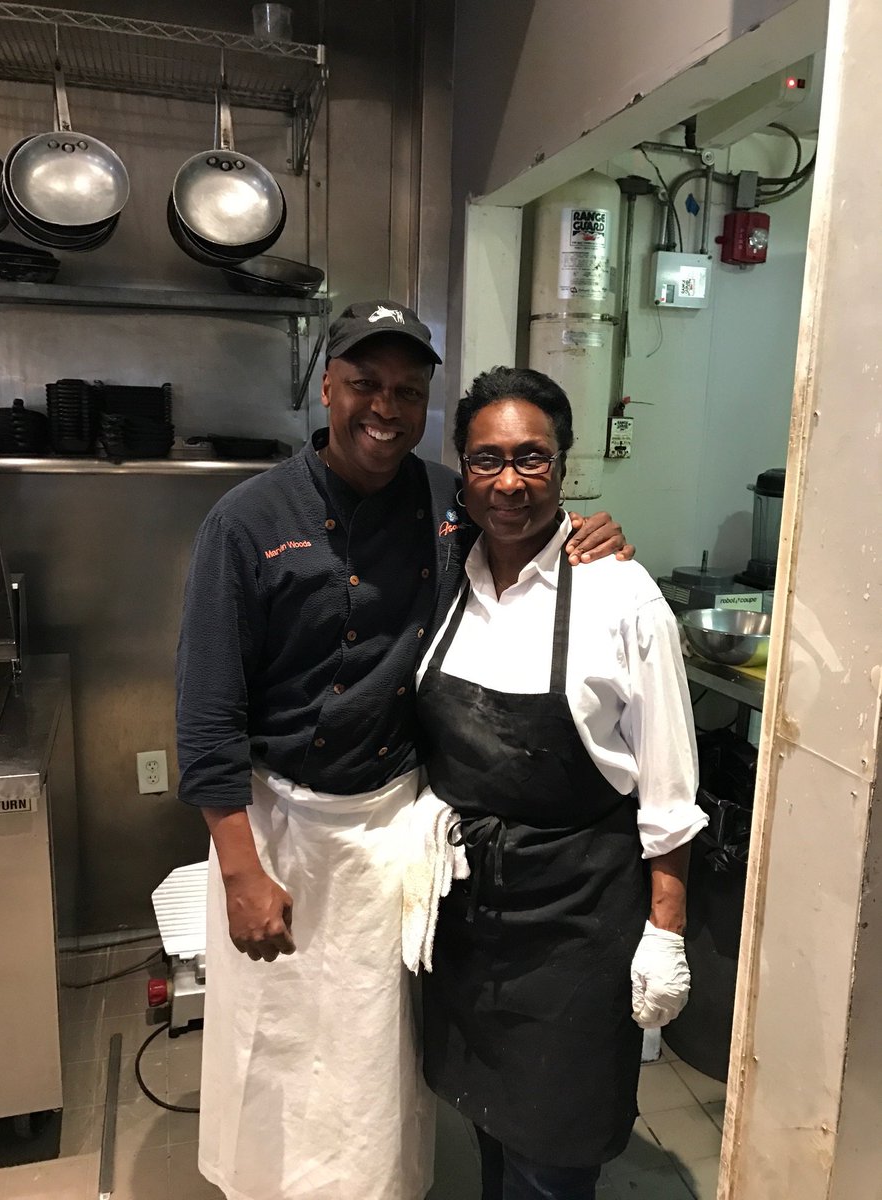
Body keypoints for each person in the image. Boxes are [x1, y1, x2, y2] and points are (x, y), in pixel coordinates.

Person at [175, 302, 630, 1200]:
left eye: (408, 392)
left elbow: (522, 521)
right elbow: (206, 713)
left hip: (389, 829)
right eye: (366, 385)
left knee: (372, 1055)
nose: (384, 407)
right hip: (282, 829)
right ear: (328, 387)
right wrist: (238, 870)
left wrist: (591, 534)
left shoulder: (444, 500)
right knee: (275, 1045)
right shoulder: (246, 521)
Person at [414, 366, 706, 1200]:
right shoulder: (446, 576)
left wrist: (667, 931)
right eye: (488, 459)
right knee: (486, 1126)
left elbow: (669, 788)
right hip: (470, 914)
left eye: (532, 458)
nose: (509, 482)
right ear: (462, 470)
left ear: (563, 465)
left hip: (579, 918)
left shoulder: (621, 594)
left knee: (553, 1154)